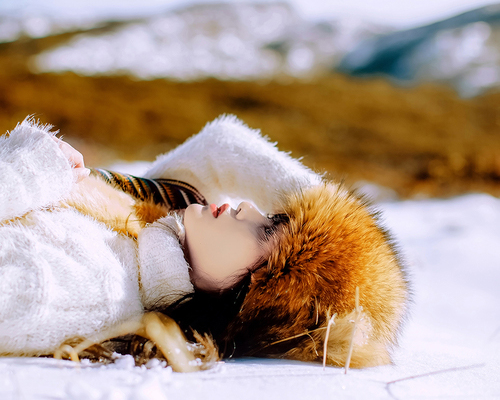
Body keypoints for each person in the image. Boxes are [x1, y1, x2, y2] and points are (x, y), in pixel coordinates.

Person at [0, 114, 408, 370]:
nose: (247, 206)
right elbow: (222, 144)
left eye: (267, 229)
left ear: (251, 300)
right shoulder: (142, 238)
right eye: (273, 215)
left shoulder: (98, 289)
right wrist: (335, 222)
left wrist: (33, 167)